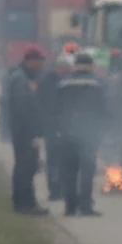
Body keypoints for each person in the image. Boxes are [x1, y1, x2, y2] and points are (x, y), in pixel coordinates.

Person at [56, 53, 109, 217]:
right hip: (88, 132)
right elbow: (103, 108)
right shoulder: (97, 83)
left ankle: (70, 206)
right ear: (91, 66)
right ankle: (85, 206)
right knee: (86, 170)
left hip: (67, 131)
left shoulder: (63, 82)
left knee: (69, 171)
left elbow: (57, 108)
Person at [7, 46, 49, 215]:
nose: (40, 65)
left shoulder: (24, 77)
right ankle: (25, 204)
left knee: (27, 166)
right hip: (25, 132)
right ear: (30, 61)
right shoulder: (21, 79)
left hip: (22, 130)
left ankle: (26, 202)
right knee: (26, 167)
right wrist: (34, 133)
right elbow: (24, 109)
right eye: (38, 61)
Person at [38, 53, 74, 201]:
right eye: (62, 68)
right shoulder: (48, 81)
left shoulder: (72, 82)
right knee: (53, 159)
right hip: (52, 125)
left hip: (69, 126)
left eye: (67, 68)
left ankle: (66, 189)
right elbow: (42, 103)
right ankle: (54, 190)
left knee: (67, 159)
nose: (64, 71)